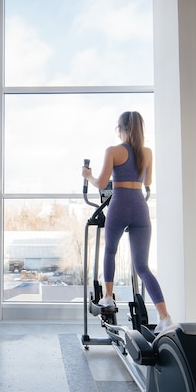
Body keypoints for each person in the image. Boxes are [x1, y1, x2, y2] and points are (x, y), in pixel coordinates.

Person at [81, 111, 173, 333]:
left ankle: (108, 297)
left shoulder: (113, 151)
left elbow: (102, 184)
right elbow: (148, 181)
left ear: (121, 129)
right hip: (140, 208)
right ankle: (164, 316)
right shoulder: (147, 153)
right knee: (142, 267)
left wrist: (87, 176)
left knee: (110, 251)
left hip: (120, 204)